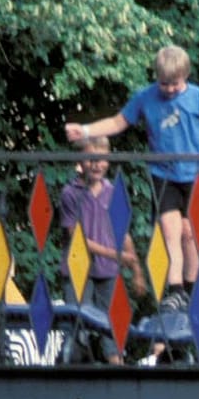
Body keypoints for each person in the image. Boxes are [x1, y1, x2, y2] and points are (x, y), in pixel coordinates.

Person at [64, 45, 199, 305]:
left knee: (190, 234)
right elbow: (118, 122)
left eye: (175, 84)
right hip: (163, 174)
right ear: (157, 78)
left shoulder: (198, 97)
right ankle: (175, 290)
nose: (169, 89)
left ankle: (190, 288)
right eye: (164, 83)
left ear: (185, 77)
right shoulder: (145, 98)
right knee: (170, 230)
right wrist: (85, 131)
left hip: (196, 176)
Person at [59, 135, 148, 363]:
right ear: (81, 160)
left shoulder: (113, 191)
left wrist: (136, 269)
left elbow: (123, 233)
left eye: (101, 159)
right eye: (91, 159)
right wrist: (117, 255)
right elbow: (78, 238)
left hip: (107, 271)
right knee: (78, 326)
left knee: (113, 330)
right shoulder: (70, 193)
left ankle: (117, 373)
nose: (97, 164)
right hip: (79, 269)